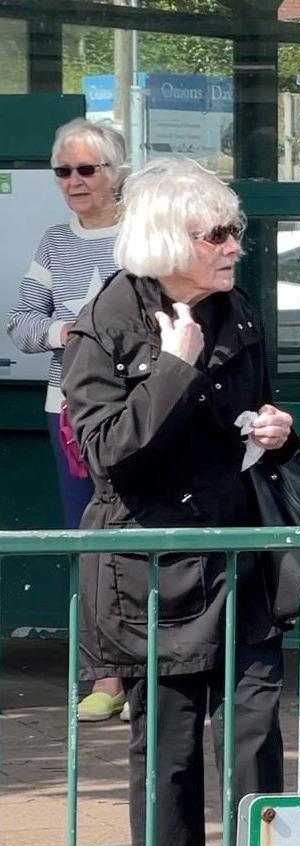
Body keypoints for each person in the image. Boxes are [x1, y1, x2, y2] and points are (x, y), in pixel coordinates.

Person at [60, 157, 293, 846]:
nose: (233, 246)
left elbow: (249, 413)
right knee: (169, 748)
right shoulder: (107, 320)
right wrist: (172, 367)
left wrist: (272, 431)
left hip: (237, 555)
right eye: (215, 234)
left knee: (255, 734)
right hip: (152, 568)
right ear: (167, 238)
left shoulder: (237, 308)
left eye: (235, 231)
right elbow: (106, 452)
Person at [6, 118, 131, 722]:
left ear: (117, 173)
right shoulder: (55, 242)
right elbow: (20, 324)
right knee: (90, 544)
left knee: (150, 540)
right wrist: (68, 330)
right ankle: (104, 676)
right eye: (64, 171)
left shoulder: (143, 240)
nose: (74, 182)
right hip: (69, 415)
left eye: (87, 169)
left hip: (138, 411)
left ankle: (153, 669)